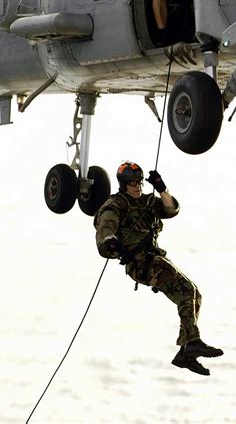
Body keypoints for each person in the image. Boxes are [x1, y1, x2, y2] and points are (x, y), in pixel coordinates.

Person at [94, 161, 223, 376]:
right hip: (140, 263)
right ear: (123, 185)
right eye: (133, 184)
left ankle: (186, 353)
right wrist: (112, 244)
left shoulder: (147, 202)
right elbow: (105, 231)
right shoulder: (115, 205)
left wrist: (162, 188)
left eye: (140, 183)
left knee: (194, 296)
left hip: (153, 259)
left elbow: (171, 209)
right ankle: (192, 342)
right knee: (187, 290)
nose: (138, 187)